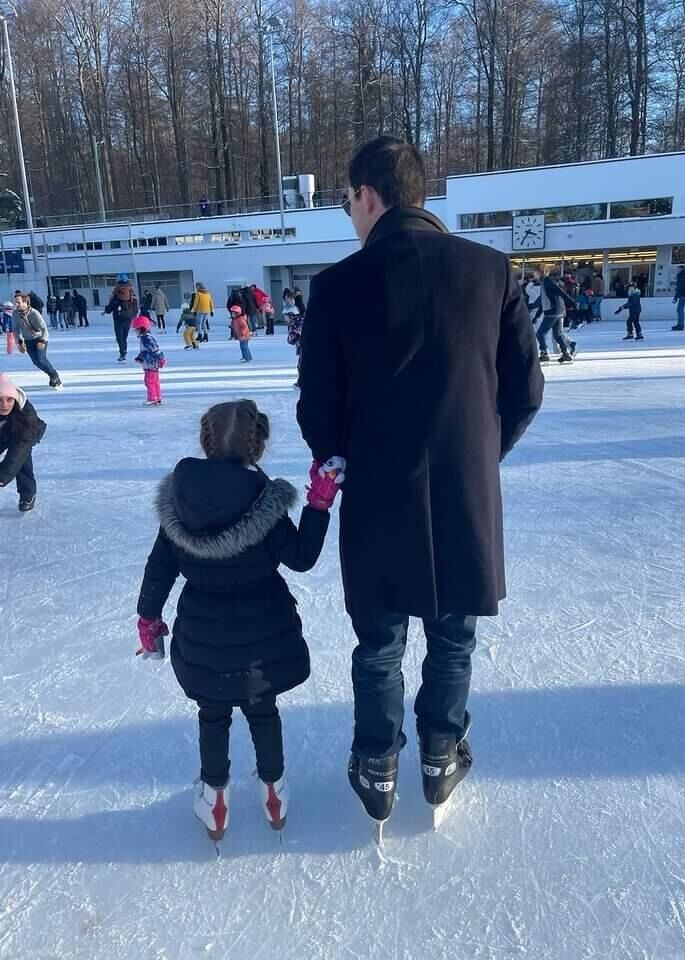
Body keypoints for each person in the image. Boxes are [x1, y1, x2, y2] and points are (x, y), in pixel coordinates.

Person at [297, 136, 544, 829]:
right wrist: (477, 456)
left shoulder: (336, 286)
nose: (350, 215)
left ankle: (378, 765)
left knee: (379, 644)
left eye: (349, 201)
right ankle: (440, 751)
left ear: (368, 197)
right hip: (465, 498)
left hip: (377, 498)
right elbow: (525, 390)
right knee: (453, 636)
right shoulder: (489, 270)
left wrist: (345, 451)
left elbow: (318, 409)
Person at [135, 399, 339, 839]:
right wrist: (318, 505)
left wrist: (148, 616)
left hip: (202, 630)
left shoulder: (180, 498)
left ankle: (214, 799)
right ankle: (274, 790)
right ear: (257, 446)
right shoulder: (264, 503)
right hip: (262, 631)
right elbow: (301, 559)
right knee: (262, 709)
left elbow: (160, 564)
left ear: (205, 442)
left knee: (212, 713)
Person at [0, 373, 46, 513]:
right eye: (0, 400)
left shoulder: (25, 411)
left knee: (21, 459)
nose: (5, 405)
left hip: (24, 434)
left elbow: (20, 447)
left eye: (9, 400)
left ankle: (27, 494)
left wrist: (2, 475)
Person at [12, 292, 63, 389]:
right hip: (28, 340)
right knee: (36, 362)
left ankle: (54, 376)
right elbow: (15, 329)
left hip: (40, 338)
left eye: (18, 302)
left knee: (41, 359)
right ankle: (52, 375)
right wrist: (19, 343)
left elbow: (44, 329)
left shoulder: (34, 313)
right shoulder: (15, 314)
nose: (16, 305)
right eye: (16, 302)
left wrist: (43, 341)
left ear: (25, 302)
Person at [534, 266, 576, 363]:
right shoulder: (544, 282)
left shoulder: (547, 281)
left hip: (553, 311)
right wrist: (537, 314)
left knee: (540, 333)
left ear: (542, 272)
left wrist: (571, 301)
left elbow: (559, 291)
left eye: (535, 273)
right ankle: (565, 354)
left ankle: (544, 353)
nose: (534, 275)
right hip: (557, 311)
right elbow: (542, 301)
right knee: (557, 334)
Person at [132, 314, 165, 406]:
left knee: (149, 381)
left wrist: (161, 358)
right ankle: (157, 397)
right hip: (151, 362)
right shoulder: (146, 338)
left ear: (142, 329)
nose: (135, 331)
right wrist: (140, 358)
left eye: (136, 329)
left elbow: (154, 350)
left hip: (151, 363)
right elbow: (145, 351)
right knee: (154, 380)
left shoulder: (147, 339)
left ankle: (152, 398)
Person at [105, 275, 138, 362]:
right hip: (128, 317)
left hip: (118, 317)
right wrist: (133, 315)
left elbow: (111, 306)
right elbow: (135, 306)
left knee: (119, 337)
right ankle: (124, 351)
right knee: (124, 337)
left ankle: (122, 353)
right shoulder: (131, 292)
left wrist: (106, 310)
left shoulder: (116, 291)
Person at [672, 265, 685, 330]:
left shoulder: (682, 277)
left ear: (682, 269)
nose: (677, 270)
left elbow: (680, 288)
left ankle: (681, 325)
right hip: (683, 294)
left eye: (678, 269)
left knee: (680, 310)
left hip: (683, 295)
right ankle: (680, 324)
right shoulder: (683, 276)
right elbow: (680, 287)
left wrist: (675, 298)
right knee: (679, 310)